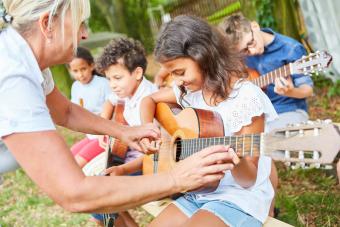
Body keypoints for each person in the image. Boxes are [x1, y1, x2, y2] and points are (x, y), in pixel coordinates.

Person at [0, 0, 238, 218]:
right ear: (47, 24)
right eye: (80, 24)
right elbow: (75, 193)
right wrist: (175, 179)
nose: (84, 35)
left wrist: (122, 132)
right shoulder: (13, 77)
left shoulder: (28, 60)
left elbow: (65, 111)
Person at [140, 15, 278, 227]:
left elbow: (248, 178)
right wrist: (147, 128)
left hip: (239, 198)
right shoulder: (189, 91)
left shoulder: (246, 98)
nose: (177, 81)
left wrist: (235, 160)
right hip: (199, 191)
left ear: (203, 56)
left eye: (180, 72)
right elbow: (148, 100)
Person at [90, 37, 159, 226]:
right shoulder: (127, 90)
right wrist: (107, 128)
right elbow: (111, 100)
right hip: (128, 158)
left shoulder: (149, 100)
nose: (112, 85)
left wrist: (122, 170)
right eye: (109, 79)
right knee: (96, 193)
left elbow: (155, 154)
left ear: (137, 73)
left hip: (147, 166)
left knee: (98, 200)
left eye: (117, 78)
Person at [220, 13, 314, 131]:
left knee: (267, 143)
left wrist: (290, 91)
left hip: (287, 110)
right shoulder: (239, 56)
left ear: (255, 26)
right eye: (244, 50)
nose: (252, 52)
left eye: (251, 43)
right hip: (254, 114)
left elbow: (308, 90)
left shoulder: (291, 49)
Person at [69, 47, 112, 168]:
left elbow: (113, 108)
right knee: (68, 158)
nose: (80, 75)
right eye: (75, 71)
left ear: (91, 66)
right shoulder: (76, 87)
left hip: (103, 135)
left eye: (83, 69)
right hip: (91, 135)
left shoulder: (103, 84)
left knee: (76, 165)